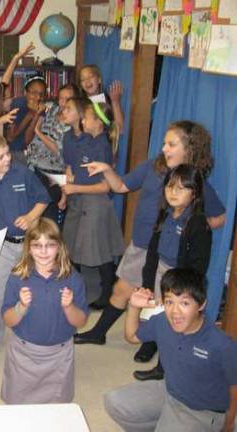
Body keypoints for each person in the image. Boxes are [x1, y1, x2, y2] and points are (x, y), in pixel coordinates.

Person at [74, 120, 225, 346]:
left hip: (167, 255)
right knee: (122, 289)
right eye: (165, 143)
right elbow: (121, 187)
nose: (164, 149)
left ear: (189, 149)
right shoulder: (153, 167)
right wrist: (107, 170)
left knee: (161, 304)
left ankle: (152, 346)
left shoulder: (195, 181)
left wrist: (187, 228)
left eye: (171, 144)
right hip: (141, 246)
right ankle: (99, 332)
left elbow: (219, 217)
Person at [104, 268, 237, 432]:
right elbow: (131, 336)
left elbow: (234, 385)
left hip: (201, 411)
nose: (175, 311)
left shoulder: (221, 344)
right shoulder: (162, 322)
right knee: (114, 402)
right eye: (169, 302)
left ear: (201, 304)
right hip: (170, 390)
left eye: (184, 303)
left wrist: (229, 424)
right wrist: (134, 306)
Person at [0, 133, 51, 355]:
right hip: (2, 246)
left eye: (7, 153)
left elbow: (43, 198)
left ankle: (36, 330)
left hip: (31, 244)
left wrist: (30, 217)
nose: (7, 158)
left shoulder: (22, 173)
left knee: (38, 287)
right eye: (0, 156)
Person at [133, 164, 212, 381]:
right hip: (161, 271)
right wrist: (148, 280)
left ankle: (163, 366)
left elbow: (198, 265)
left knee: (173, 320)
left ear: (194, 193)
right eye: (169, 186)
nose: (173, 192)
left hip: (180, 280)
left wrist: (181, 290)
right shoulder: (165, 214)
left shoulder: (197, 223)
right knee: (157, 314)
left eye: (181, 188)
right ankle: (152, 346)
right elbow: (152, 251)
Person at [1, 218, 88, 404]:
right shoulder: (17, 277)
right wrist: (21, 307)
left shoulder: (73, 278)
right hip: (23, 353)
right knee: (19, 406)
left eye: (49, 245)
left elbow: (80, 321)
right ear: (28, 248)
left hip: (60, 354)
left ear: (59, 246)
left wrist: (69, 307)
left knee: (55, 408)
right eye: (37, 245)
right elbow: (8, 319)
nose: (43, 251)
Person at [60, 98, 124, 311]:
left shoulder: (102, 145)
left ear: (98, 122)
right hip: (78, 199)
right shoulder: (87, 139)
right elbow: (77, 166)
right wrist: (70, 174)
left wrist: (76, 188)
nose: (83, 121)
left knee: (98, 250)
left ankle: (107, 292)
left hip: (94, 203)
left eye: (86, 118)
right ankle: (74, 290)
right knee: (71, 244)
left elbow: (105, 186)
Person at [27, 83, 81, 226]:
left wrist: (38, 132)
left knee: (48, 221)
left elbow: (58, 151)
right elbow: (37, 102)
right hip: (34, 167)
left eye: (68, 99)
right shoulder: (52, 109)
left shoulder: (71, 122)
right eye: (61, 98)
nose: (63, 102)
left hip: (53, 175)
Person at [6, 76, 48, 164]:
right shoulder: (18, 104)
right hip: (9, 150)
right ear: (26, 93)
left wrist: (36, 114)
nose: (38, 97)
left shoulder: (41, 109)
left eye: (42, 94)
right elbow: (10, 137)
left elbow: (27, 140)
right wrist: (29, 115)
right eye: (34, 93)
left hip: (26, 152)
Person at [78, 64, 124, 133]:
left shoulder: (109, 100)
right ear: (81, 85)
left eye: (91, 76)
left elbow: (119, 130)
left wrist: (115, 101)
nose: (87, 81)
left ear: (99, 79)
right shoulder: (79, 104)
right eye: (83, 79)